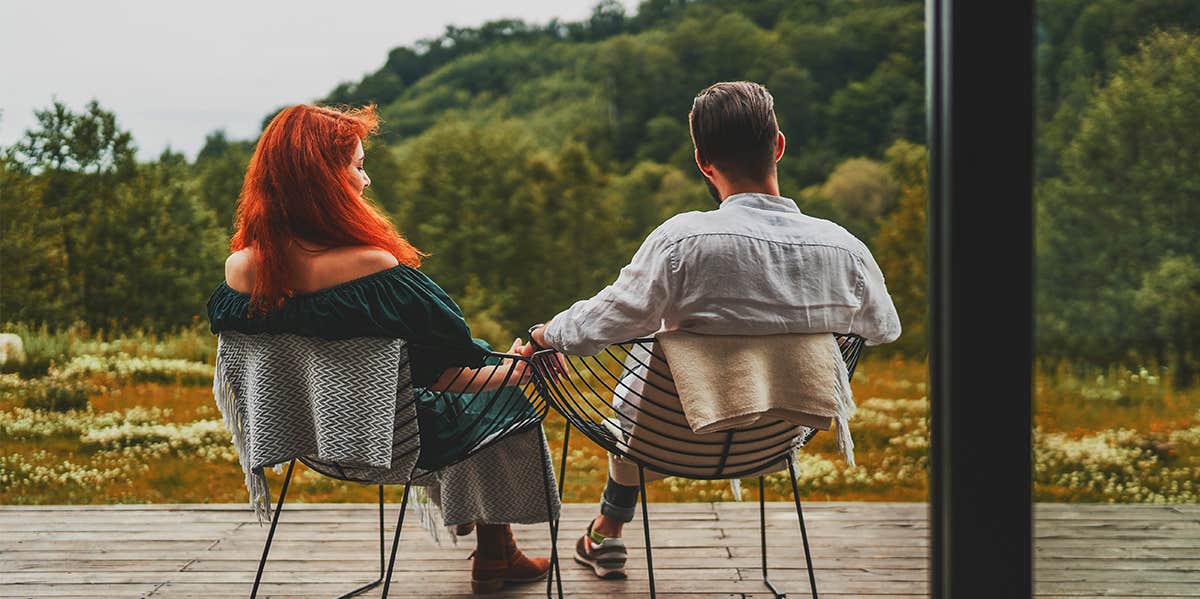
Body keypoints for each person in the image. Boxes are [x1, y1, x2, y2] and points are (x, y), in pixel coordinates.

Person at [529, 81, 902, 580]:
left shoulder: (684, 240)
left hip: (668, 435)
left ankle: (606, 531)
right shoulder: (844, 249)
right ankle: (605, 530)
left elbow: (607, 319)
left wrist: (544, 335)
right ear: (779, 145)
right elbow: (882, 329)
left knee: (649, 368)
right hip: (777, 432)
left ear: (704, 161)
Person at [207, 104, 553, 594]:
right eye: (357, 166)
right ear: (324, 180)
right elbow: (445, 371)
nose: (365, 181)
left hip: (301, 435)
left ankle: (497, 553)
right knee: (493, 404)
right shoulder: (373, 266)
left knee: (466, 402)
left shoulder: (239, 270)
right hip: (388, 440)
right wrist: (514, 371)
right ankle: (500, 554)